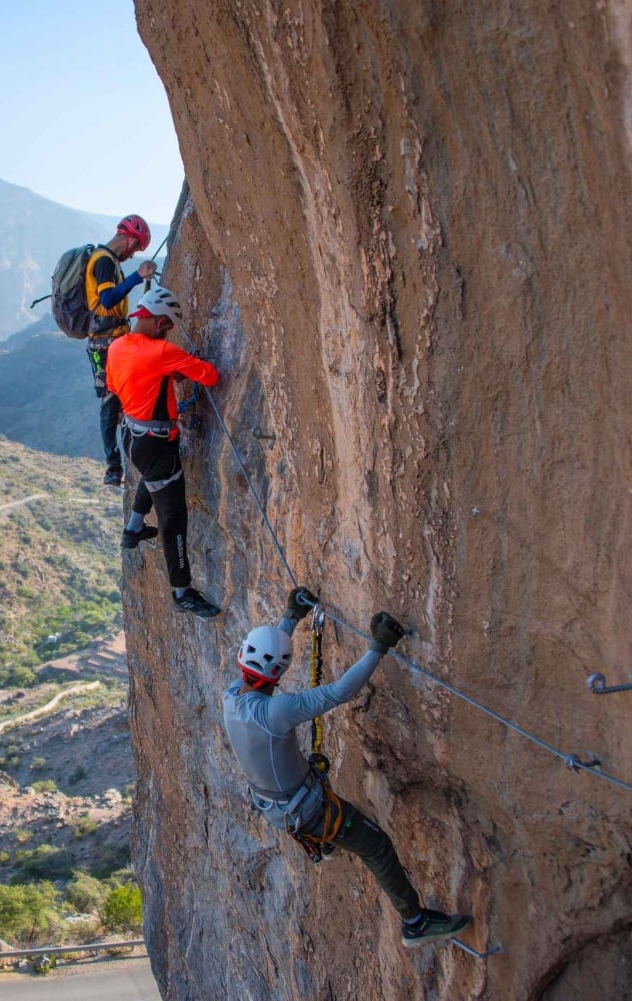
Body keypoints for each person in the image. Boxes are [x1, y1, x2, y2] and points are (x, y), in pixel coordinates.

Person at [221, 586, 472, 948]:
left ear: (241, 657)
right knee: (377, 847)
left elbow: (265, 664)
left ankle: (324, 844)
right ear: (279, 672)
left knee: (340, 820)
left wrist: (291, 618)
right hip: (305, 810)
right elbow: (339, 692)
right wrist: (378, 647)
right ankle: (415, 922)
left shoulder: (231, 695)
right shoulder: (275, 712)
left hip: (281, 802)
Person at [106, 284, 221, 618]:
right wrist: (175, 364)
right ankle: (182, 591)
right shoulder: (161, 352)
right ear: (158, 321)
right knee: (173, 517)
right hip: (155, 443)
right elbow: (210, 376)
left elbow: (118, 385)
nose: (168, 332)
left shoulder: (116, 347)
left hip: (130, 436)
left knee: (154, 479)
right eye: (167, 326)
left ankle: (133, 528)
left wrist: (161, 374)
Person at [85, 214, 157, 486]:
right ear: (129, 238)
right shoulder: (103, 261)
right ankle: (112, 466)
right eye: (135, 247)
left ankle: (122, 458)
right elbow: (107, 299)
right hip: (105, 342)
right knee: (110, 401)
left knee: (121, 399)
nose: (133, 253)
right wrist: (137, 277)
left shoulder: (109, 261)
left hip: (113, 339)